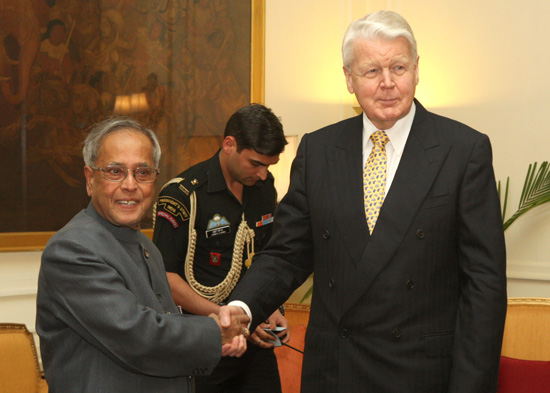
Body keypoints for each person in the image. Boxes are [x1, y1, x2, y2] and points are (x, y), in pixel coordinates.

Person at [220, 10, 507, 393]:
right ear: (349, 78)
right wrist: (243, 307)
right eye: (372, 71)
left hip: (421, 375)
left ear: (417, 70)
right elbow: (287, 252)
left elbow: (483, 285)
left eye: (399, 67)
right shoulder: (318, 149)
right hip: (335, 371)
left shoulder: (463, 150)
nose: (387, 83)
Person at [36, 116, 250, 393]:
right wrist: (214, 333)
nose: (130, 184)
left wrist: (216, 328)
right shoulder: (72, 249)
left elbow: (162, 322)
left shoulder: (147, 247)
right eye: (115, 171)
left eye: (143, 172)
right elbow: (137, 336)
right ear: (90, 180)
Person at [153, 103, 289, 393]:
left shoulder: (264, 188)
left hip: (252, 339)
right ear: (229, 145)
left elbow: (268, 256)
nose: (263, 174)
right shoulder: (182, 195)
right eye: (255, 163)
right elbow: (164, 277)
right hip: (203, 341)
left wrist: (273, 308)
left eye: (269, 165)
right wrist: (224, 318)